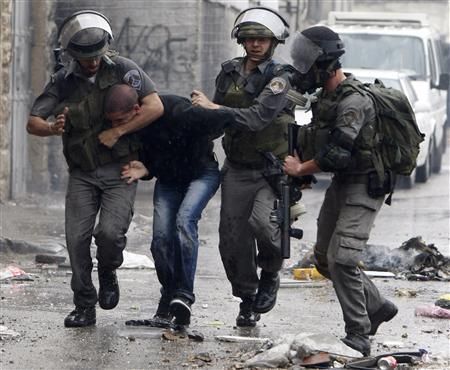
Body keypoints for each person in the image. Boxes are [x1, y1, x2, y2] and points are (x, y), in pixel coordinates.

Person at [26, 10, 164, 328]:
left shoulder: (125, 70)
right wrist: (52, 128)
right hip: (82, 174)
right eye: (84, 57)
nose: (91, 62)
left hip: (120, 171)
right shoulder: (63, 81)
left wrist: (118, 132)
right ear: (72, 54)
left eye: (95, 55)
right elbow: (33, 122)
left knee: (110, 235)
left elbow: (156, 106)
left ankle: (108, 269)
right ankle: (84, 304)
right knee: (76, 239)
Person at [283, 25, 398, 356]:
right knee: (323, 258)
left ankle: (358, 332)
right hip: (344, 182)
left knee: (343, 258)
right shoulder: (326, 98)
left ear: (327, 64)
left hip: (367, 183)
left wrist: (301, 169)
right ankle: (378, 306)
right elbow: (318, 143)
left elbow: (337, 153)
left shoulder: (353, 102)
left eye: (310, 64)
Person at [191, 6, 295, 327]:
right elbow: (216, 121)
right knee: (231, 237)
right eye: (250, 39)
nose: (255, 45)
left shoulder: (280, 77)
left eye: (262, 39)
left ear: (273, 42)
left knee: (264, 224)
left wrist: (213, 107)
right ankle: (247, 298)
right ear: (242, 41)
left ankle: (271, 272)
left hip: (270, 169)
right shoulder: (229, 72)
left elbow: (257, 118)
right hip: (237, 167)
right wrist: (194, 139)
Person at [105, 84, 234, 328]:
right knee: (161, 239)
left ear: (136, 109)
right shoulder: (132, 129)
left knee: (185, 222)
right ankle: (169, 298)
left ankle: (184, 296)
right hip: (168, 179)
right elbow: (152, 160)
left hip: (201, 174)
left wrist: (210, 107)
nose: (117, 127)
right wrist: (146, 169)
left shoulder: (177, 109)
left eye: (121, 120)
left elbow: (223, 120)